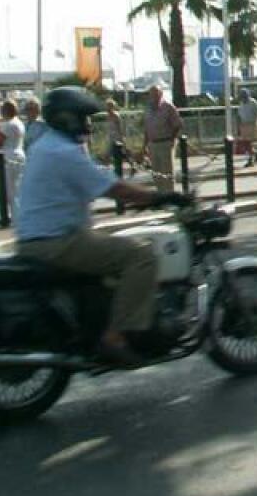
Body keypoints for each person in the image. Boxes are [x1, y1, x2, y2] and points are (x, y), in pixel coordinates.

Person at [15, 87, 178, 366]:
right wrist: (157, 196)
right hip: (57, 242)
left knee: (115, 242)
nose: (88, 124)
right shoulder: (62, 151)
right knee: (141, 256)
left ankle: (104, 317)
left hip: (45, 237)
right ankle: (114, 337)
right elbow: (112, 187)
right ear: (68, 118)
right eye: (83, 117)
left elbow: (96, 180)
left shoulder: (48, 145)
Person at [142, 84, 183, 193]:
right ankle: (161, 197)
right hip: (152, 143)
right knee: (156, 173)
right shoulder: (147, 109)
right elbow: (146, 128)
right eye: (151, 94)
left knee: (167, 173)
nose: (153, 96)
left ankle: (170, 196)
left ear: (161, 94)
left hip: (165, 142)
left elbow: (177, 125)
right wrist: (144, 146)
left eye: (156, 93)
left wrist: (171, 140)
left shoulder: (168, 107)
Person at [0, 99, 27, 218]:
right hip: (20, 155)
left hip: (8, 158)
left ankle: (16, 219)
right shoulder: (19, 122)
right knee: (19, 189)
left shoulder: (7, 124)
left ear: (5, 110)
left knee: (11, 192)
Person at [236, 88, 257, 167]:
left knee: (248, 143)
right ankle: (256, 153)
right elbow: (239, 116)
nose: (243, 98)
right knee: (245, 143)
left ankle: (250, 159)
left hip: (252, 124)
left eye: (244, 96)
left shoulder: (253, 102)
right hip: (244, 125)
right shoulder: (241, 104)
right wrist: (238, 128)